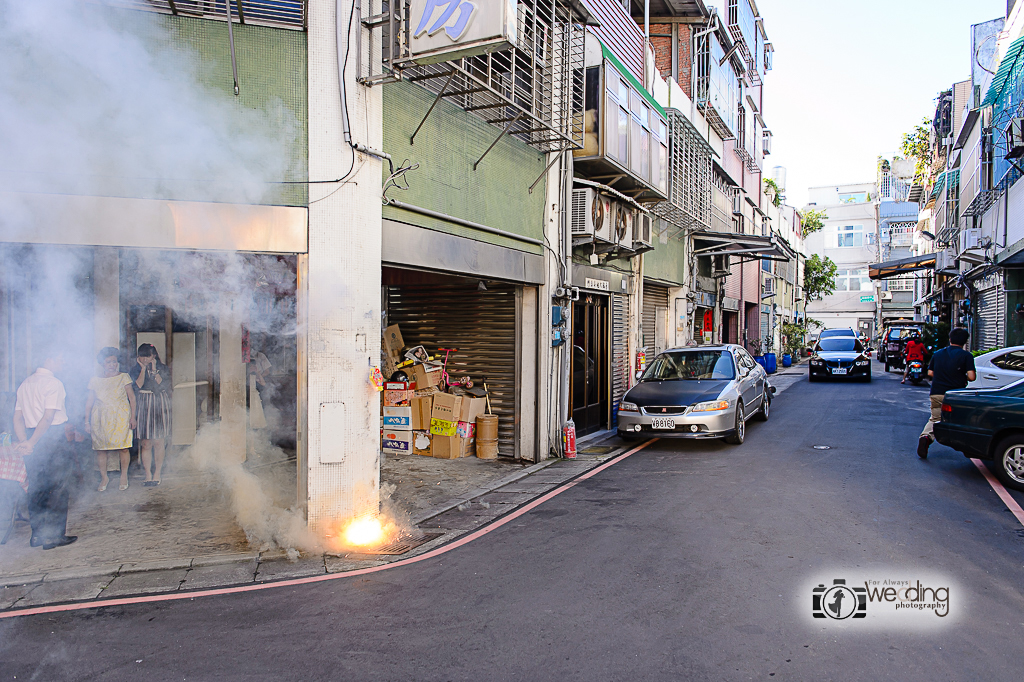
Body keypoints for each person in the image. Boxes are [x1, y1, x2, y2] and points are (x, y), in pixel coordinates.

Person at [12, 347, 77, 549]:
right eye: (60, 359)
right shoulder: (53, 383)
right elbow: (48, 417)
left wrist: (25, 441)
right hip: (52, 437)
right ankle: (53, 537)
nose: (63, 363)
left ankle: (37, 535)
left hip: (32, 435)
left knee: (37, 488)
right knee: (58, 487)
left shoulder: (25, 383)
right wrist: (30, 443)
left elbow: (18, 417)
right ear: (49, 359)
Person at [918, 328, 977, 459]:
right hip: (955, 395)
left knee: (935, 418)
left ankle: (926, 437)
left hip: (937, 392)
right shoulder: (966, 356)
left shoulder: (938, 354)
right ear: (965, 341)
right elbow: (972, 377)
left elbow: (930, 373)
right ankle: (968, 446)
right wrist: (961, 376)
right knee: (960, 419)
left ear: (950, 339)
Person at [85, 347, 137, 492]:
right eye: (108, 362)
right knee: (101, 449)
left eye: (114, 361)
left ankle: (124, 476)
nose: (112, 364)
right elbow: (89, 401)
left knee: (123, 447)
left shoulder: (124, 377)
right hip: (100, 417)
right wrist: (86, 421)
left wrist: (133, 417)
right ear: (102, 363)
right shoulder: (95, 380)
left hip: (120, 415)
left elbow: (132, 398)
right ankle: (104, 477)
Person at [130, 344, 171, 486]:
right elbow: (138, 385)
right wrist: (143, 369)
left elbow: (163, 385)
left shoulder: (163, 368)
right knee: (146, 442)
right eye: (142, 356)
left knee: (159, 441)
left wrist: (153, 370)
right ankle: (147, 474)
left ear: (154, 356)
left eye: (148, 356)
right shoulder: (135, 370)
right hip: (144, 403)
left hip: (159, 403)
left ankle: (157, 473)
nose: (145, 358)